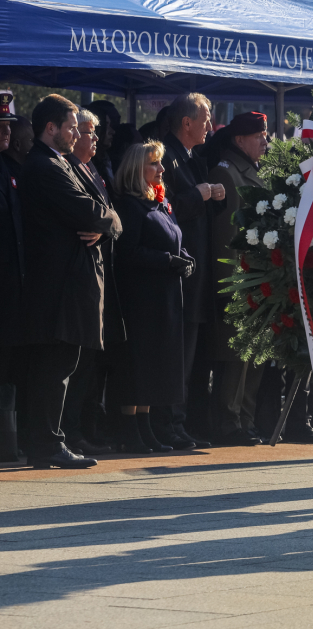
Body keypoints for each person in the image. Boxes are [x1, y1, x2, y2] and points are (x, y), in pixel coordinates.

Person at [18, 94, 122, 468]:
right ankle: (46, 443)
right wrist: (104, 220)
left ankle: (47, 442)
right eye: (71, 126)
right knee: (53, 366)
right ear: (51, 128)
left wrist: (105, 222)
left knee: (62, 364)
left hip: (68, 284)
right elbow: (92, 212)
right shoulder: (45, 167)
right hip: (57, 286)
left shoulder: (64, 164)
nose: (77, 133)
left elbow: (110, 214)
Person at [108, 142, 193, 454]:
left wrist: (184, 257)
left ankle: (145, 427)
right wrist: (167, 261)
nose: (161, 170)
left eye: (160, 164)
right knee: (137, 365)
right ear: (136, 170)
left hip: (165, 294)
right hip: (140, 297)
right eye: (154, 165)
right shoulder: (129, 205)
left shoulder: (159, 201)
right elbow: (127, 252)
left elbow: (174, 237)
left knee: (155, 365)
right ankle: (130, 431)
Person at [208, 112, 276, 446]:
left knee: (255, 354)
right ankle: (229, 421)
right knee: (236, 356)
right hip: (242, 279)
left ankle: (245, 420)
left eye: (265, 134)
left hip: (260, 277)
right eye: (258, 135)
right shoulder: (227, 173)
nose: (265, 140)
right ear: (239, 140)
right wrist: (229, 285)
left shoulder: (251, 171)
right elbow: (227, 236)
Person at [161, 93, 225, 449]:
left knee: (191, 356)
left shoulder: (191, 157)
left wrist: (212, 195)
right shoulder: (165, 156)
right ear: (187, 122)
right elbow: (161, 207)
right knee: (177, 354)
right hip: (177, 273)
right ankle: (169, 422)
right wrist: (197, 195)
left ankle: (182, 420)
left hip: (196, 273)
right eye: (205, 119)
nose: (210, 126)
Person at [63, 109, 125, 455]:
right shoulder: (68, 169)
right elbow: (90, 219)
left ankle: (85, 427)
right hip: (79, 280)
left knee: (92, 365)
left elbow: (114, 221)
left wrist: (106, 228)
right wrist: (108, 225)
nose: (94, 139)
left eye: (94, 133)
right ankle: (71, 432)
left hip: (102, 276)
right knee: (78, 363)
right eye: (87, 132)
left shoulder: (95, 170)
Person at [0, 92, 24, 459]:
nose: (6, 130)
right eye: (0, 125)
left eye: (8, 124)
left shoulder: (8, 167)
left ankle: (6, 445)